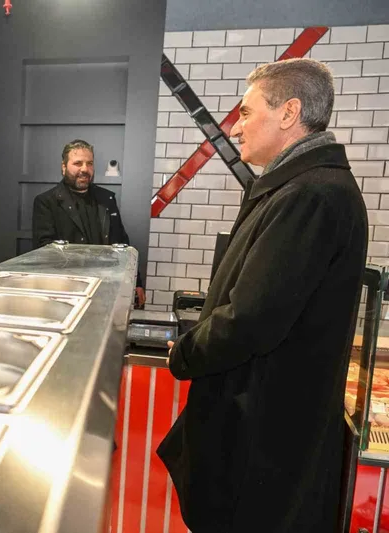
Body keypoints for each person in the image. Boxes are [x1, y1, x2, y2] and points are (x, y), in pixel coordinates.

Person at [157, 58, 368, 533]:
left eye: (247, 113)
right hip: (261, 423)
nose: (236, 128)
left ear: (289, 112)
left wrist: (183, 353)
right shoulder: (299, 187)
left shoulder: (311, 195)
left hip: (265, 435)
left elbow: (251, 318)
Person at [32, 139, 145, 306]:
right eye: (77, 163)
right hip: (65, 291)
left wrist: (137, 282)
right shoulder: (47, 202)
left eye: (89, 163)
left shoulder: (107, 198)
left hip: (106, 287)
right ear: (64, 167)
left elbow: (122, 241)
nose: (85, 169)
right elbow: (45, 250)